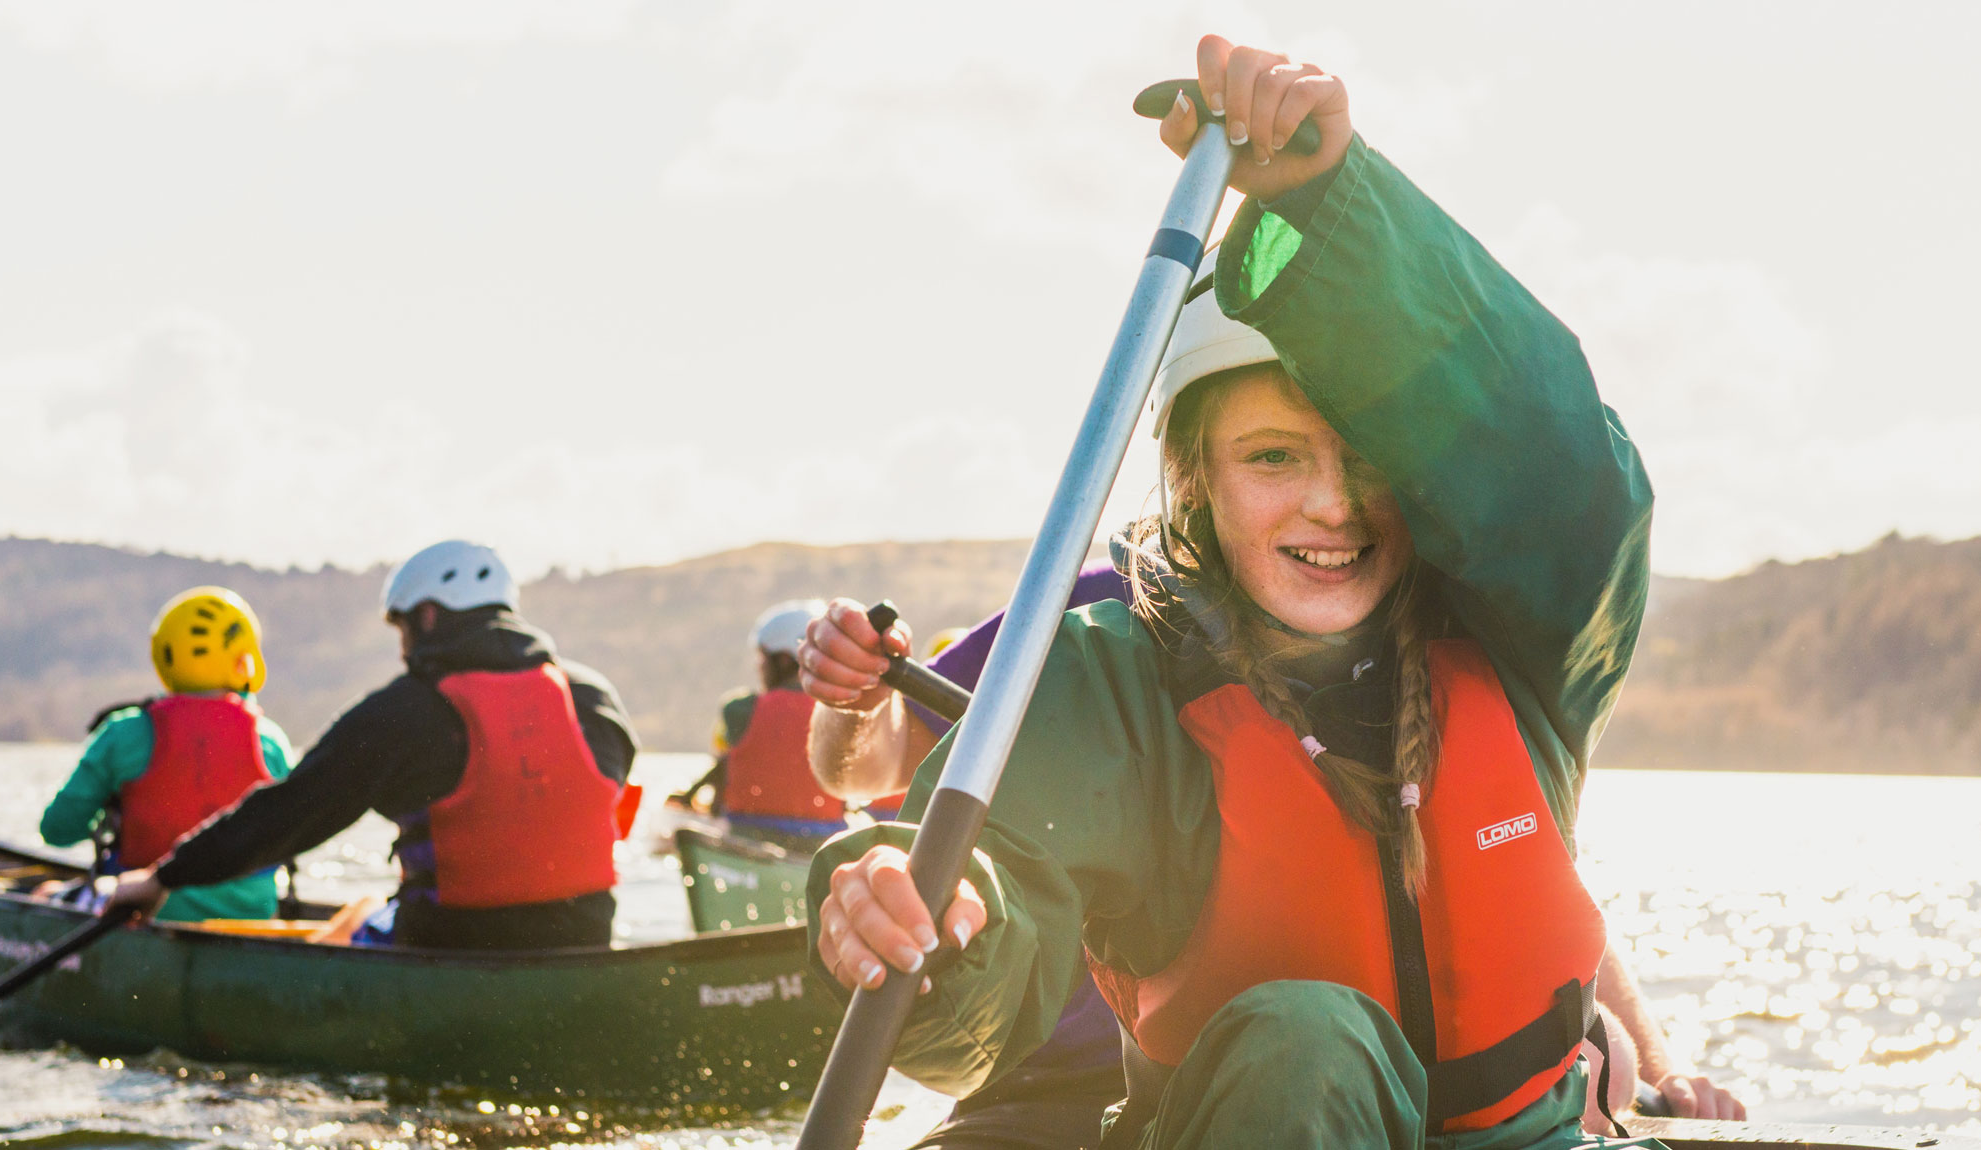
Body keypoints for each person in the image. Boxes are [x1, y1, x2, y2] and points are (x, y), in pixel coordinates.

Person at [810, 37, 1724, 1148]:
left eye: (1371, 458)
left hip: (1530, 1133)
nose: (1332, 506)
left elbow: (1567, 475)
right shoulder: (1109, 681)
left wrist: (1331, 207)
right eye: (1275, 458)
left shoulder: (1517, 627)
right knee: (1307, 1037)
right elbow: (988, 955)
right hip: (1263, 1120)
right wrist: (943, 932)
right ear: (1196, 478)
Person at [106, 540, 638, 950]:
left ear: (427, 617)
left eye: (403, 628)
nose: (404, 648)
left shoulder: (406, 710)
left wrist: (164, 878)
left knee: (353, 920)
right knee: (365, 907)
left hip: (448, 945)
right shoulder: (593, 697)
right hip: (584, 938)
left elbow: (292, 812)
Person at [798, 572, 1136, 1150]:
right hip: (1036, 1089)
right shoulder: (1086, 603)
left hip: (1280, 1081)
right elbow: (862, 770)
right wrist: (856, 699)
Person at [38, 586, 295, 923]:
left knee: (44, 893)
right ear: (244, 656)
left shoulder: (123, 731)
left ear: (164, 657)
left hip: (141, 912)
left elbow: (57, 830)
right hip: (251, 918)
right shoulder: (270, 740)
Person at [684, 599, 875, 845]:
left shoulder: (739, 709)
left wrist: (691, 797)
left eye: (763, 659)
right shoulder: (844, 713)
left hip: (748, 836)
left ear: (784, 660)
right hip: (821, 841)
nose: (759, 668)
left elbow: (725, 767)